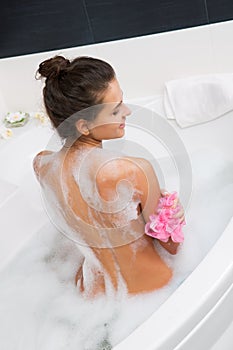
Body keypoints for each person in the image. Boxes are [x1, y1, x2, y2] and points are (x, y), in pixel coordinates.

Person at [33, 55, 185, 298]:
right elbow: (172, 247)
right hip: (151, 292)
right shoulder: (133, 171)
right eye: (116, 109)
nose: (127, 112)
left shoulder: (42, 165)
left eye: (122, 101)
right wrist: (175, 216)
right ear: (83, 126)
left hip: (90, 296)